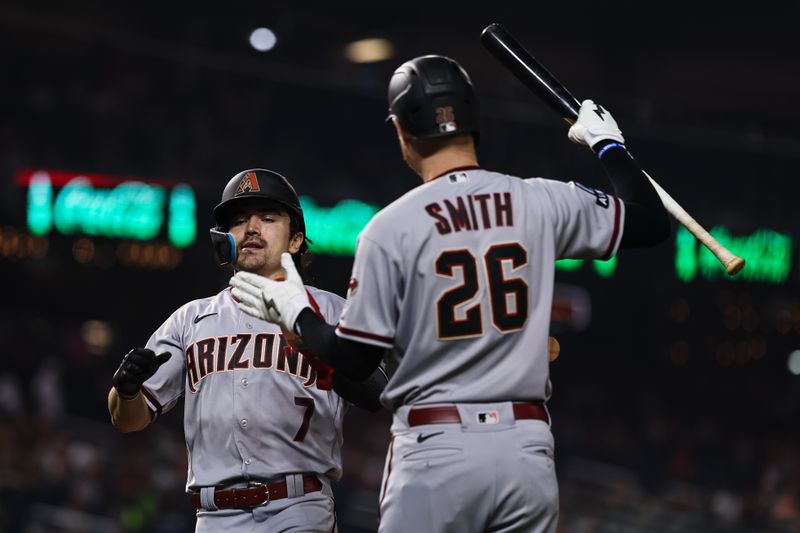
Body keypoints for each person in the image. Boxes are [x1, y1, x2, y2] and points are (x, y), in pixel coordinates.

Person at [230, 55, 670, 533]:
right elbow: (649, 221)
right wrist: (608, 145)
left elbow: (354, 360)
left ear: (401, 131)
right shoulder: (541, 199)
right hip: (527, 449)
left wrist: (298, 313)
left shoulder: (391, 227)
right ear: (473, 122)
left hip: (436, 446)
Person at [108, 168, 387, 533]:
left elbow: (379, 392)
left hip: (299, 509)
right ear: (224, 240)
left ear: (296, 240)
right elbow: (129, 419)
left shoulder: (332, 312)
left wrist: (318, 342)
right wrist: (125, 390)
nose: (251, 228)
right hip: (213, 517)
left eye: (268, 218)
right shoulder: (190, 320)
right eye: (239, 221)